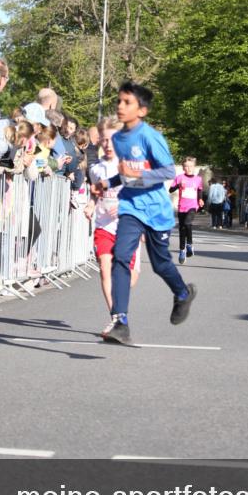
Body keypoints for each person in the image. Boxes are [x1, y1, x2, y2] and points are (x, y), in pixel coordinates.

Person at [91, 82, 196, 345]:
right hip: (130, 208)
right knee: (121, 257)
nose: (120, 106)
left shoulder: (150, 137)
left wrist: (136, 174)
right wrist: (108, 183)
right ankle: (120, 321)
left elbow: (167, 172)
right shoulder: (117, 139)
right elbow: (123, 173)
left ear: (143, 111)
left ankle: (182, 293)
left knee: (160, 264)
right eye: (119, 101)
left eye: (127, 102)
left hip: (156, 211)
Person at [85, 115, 140, 334]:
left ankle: (119, 310)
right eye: (104, 140)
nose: (108, 145)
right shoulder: (96, 169)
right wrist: (90, 205)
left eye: (112, 140)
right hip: (104, 225)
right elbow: (95, 194)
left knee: (126, 278)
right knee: (105, 270)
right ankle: (117, 319)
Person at [170, 157, 204, 264]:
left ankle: (189, 244)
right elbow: (171, 189)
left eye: (191, 166)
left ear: (194, 167)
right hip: (182, 207)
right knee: (182, 229)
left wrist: (200, 199)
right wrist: (178, 185)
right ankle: (182, 250)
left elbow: (199, 190)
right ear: (183, 167)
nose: (188, 168)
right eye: (186, 166)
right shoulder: (179, 177)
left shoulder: (198, 179)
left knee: (187, 223)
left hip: (193, 206)